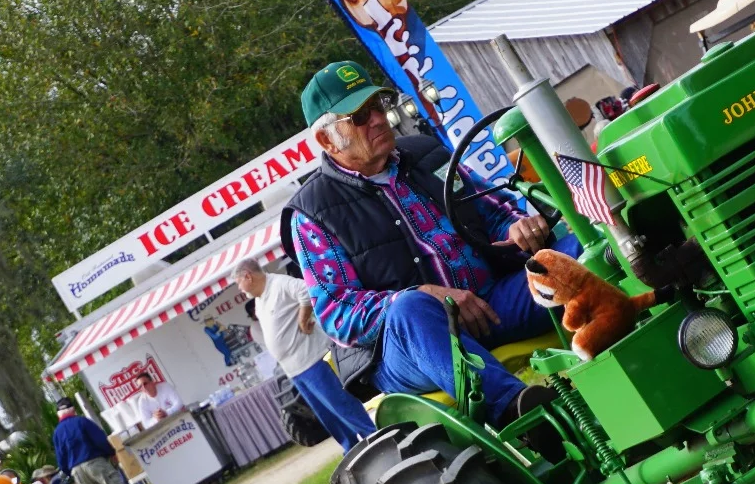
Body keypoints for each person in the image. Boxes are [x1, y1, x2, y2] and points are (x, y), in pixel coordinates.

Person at [280, 60, 578, 424]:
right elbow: (337, 312)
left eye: (377, 106)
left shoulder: (427, 153)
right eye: (358, 116)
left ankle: (642, 331)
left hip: (492, 305)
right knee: (410, 309)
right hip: (411, 348)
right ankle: (523, 414)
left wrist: (518, 229)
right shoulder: (312, 212)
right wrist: (423, 295)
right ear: (327, 139)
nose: (377, 119)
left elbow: (495, 212)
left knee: (577, 253)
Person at [235, 257, 377, 451]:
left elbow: (307, 290)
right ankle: (351, 447)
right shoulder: (259, 300)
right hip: (294, 368)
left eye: (238, 282)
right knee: (326, 414)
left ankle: (374, 436)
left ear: (247, 276)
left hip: (313, 359)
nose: (239, 288)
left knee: (340, 404)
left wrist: (303, 318)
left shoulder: (279, 284)